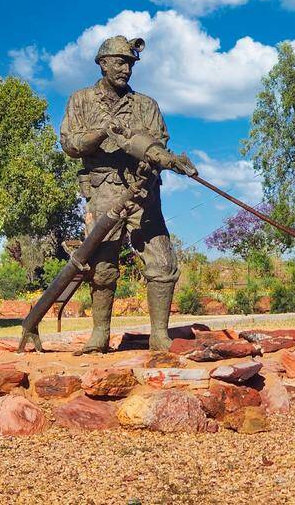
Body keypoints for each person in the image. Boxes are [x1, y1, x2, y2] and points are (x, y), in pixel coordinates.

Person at [60, 35, 196, 352]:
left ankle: (159, 335)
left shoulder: (146, 105)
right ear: (103, 63)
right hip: (103, 188)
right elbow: (70, 143)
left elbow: (158, 144)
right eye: (120, 62)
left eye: (130, 64)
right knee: (102, 265)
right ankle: (100, 335)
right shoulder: (80, 100)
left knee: (162, 261)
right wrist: (102, 132)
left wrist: (163, 158)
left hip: (143, 190)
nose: (126, 69)